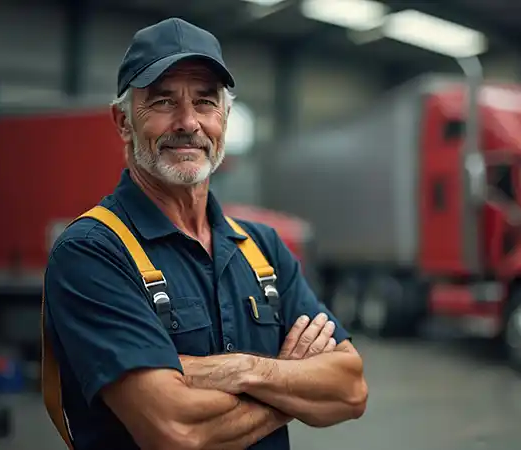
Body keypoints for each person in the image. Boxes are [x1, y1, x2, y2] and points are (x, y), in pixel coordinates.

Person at [42, 17, 368, 450]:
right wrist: (291, 385)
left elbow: (350, 389)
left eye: (205, 102)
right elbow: (176, 432)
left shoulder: (263, 248)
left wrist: (239, 369)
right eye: (162, 102)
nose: (188, 122)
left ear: (225, 118)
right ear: (122, 121)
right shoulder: (91, 253)